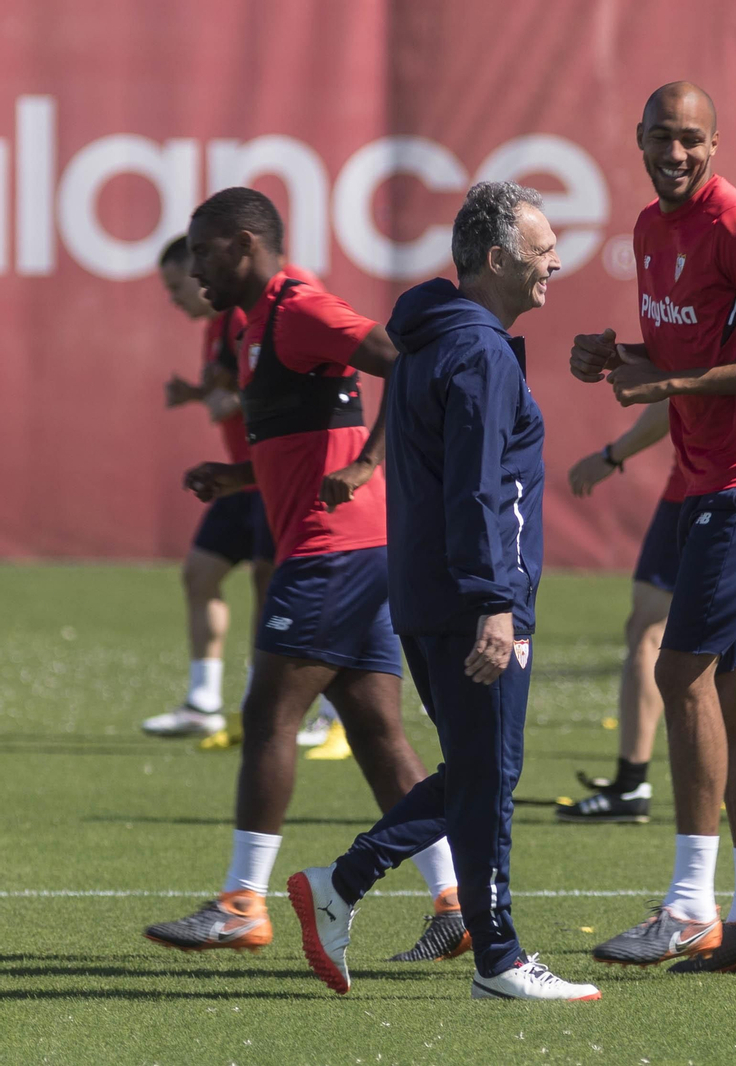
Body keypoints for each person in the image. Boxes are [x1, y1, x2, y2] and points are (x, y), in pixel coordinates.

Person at [287, 182, 599, 1002]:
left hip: (427, 595)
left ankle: (342, 888)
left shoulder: (432, 338)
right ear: (495, 259)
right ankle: (497, 958)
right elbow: (477, 489)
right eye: (542, 251)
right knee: (488, 778)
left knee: (477, 771)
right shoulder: (479, 352)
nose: (556, 264)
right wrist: (495, 601)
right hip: (473, 602)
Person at [143, 188, 463, 964]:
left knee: (267, 714)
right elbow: (302, 436)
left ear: (245, 245)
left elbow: (406, 361)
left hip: (333, 552)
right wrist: (237, 477)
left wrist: (370, 462)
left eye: (204, 250)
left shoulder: (300, 308)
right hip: (353, 551)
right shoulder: (253, 325)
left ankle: (241, 903)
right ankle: (455, 903)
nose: (194, 267)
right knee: (376, 731)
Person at [572, 81, 736, 974]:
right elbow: (683, 354)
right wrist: (617, 358)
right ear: (637, 139)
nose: (674, 154)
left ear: (715, 144)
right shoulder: (649, 228)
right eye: (659, 138)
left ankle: (688, 907)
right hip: (723, 477)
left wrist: (671, 386)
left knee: (680, 671)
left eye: (690, 139)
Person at [562, 316, 736, 825]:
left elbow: (678, 388)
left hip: (720, 481)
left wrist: (615, 453)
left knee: (669, 647)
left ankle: (634, 784)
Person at [142, 236, 276, 739]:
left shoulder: (243, 316)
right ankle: (203, 702)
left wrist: (228, 399)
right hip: (238, 477)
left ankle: (264, 705)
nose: (177, 296)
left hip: (267, 477)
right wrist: (200, 393)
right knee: (200, 573)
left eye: (180, 284)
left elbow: (271, 383)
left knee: (269, 586)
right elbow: (232, 389)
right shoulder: (217, 324)